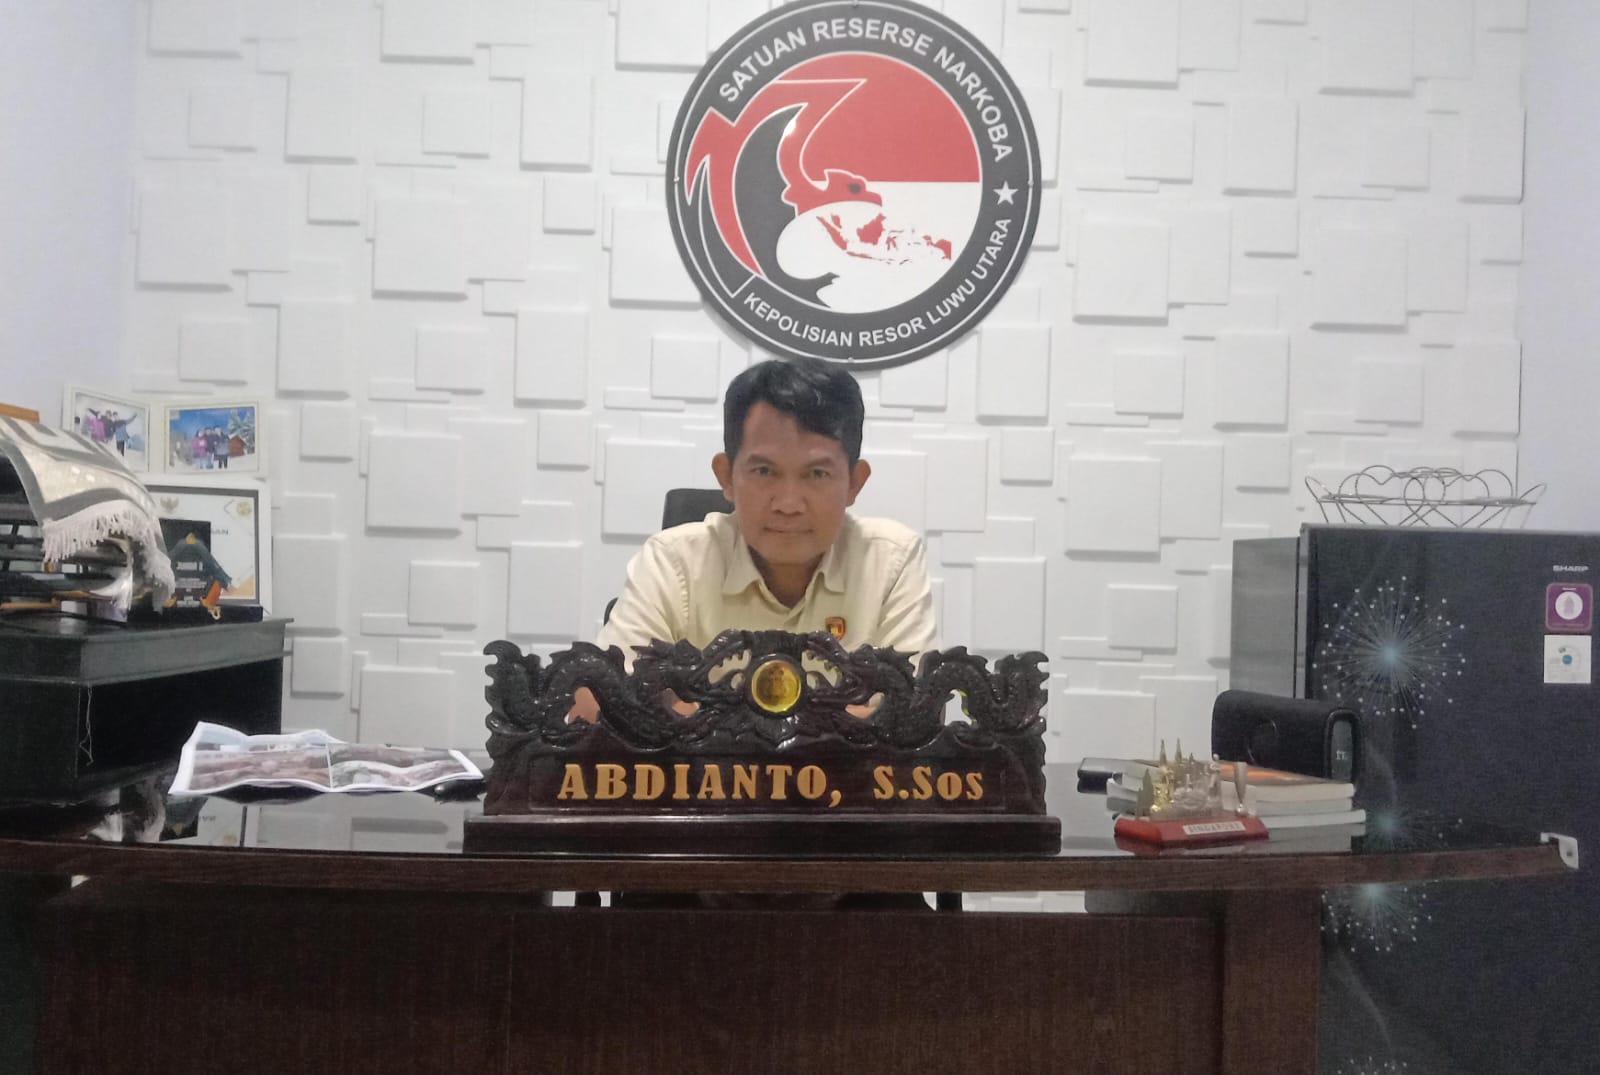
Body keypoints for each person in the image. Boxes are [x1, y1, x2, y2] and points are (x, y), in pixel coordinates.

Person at [595, 356, 937, 663]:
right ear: (726, 476)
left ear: (854, 483)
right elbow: (597, 698)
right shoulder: (673, 561)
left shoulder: (891, 561)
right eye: (764, 471)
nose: (788, 504)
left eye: (817, 474)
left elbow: (919, 703)